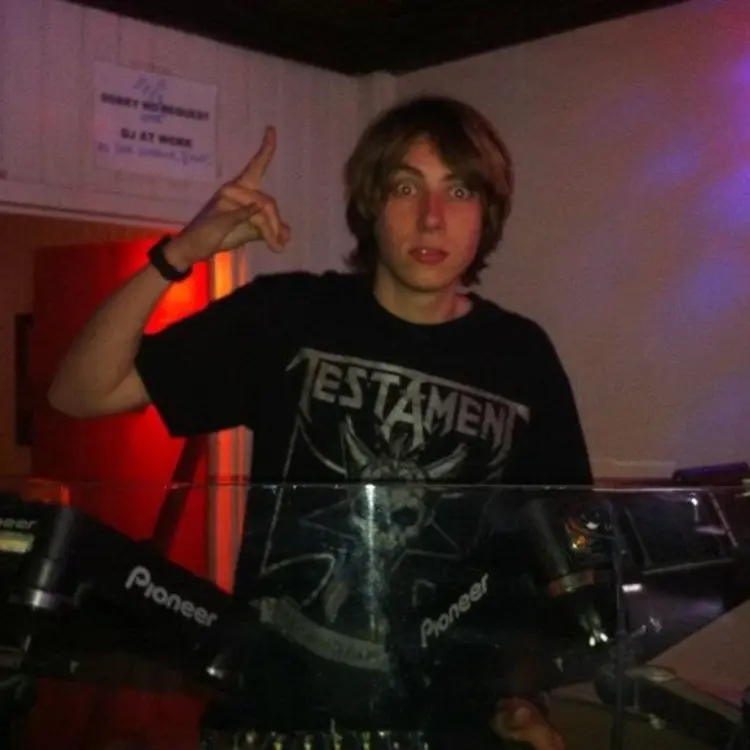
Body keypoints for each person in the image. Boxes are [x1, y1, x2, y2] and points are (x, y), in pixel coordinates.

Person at [49, 95, 591, 750]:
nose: (432, 216)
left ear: (487, 212)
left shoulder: (522, 356)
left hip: (450, 726)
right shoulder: (289, 315)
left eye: (459, 190)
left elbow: (554, 556)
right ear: (371, 204)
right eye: (405, 187)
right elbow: (80, 392)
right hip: (274, 718)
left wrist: (522, 694)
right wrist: (181, 253)